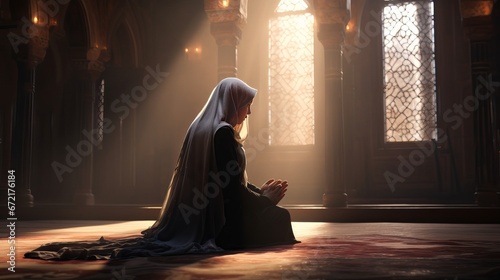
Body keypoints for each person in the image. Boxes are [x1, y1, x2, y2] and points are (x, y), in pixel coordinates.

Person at [24, 77, 298, 260]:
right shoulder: (222, 134)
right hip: (222, 226)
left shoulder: (204, 127)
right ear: (234, 103)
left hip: (211, 216)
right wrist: (263, 201)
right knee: (280, 218)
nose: (249, 112)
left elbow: (227, 180)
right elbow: (230, 191)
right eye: (247, 104)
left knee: (274, 213)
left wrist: (258, 192)